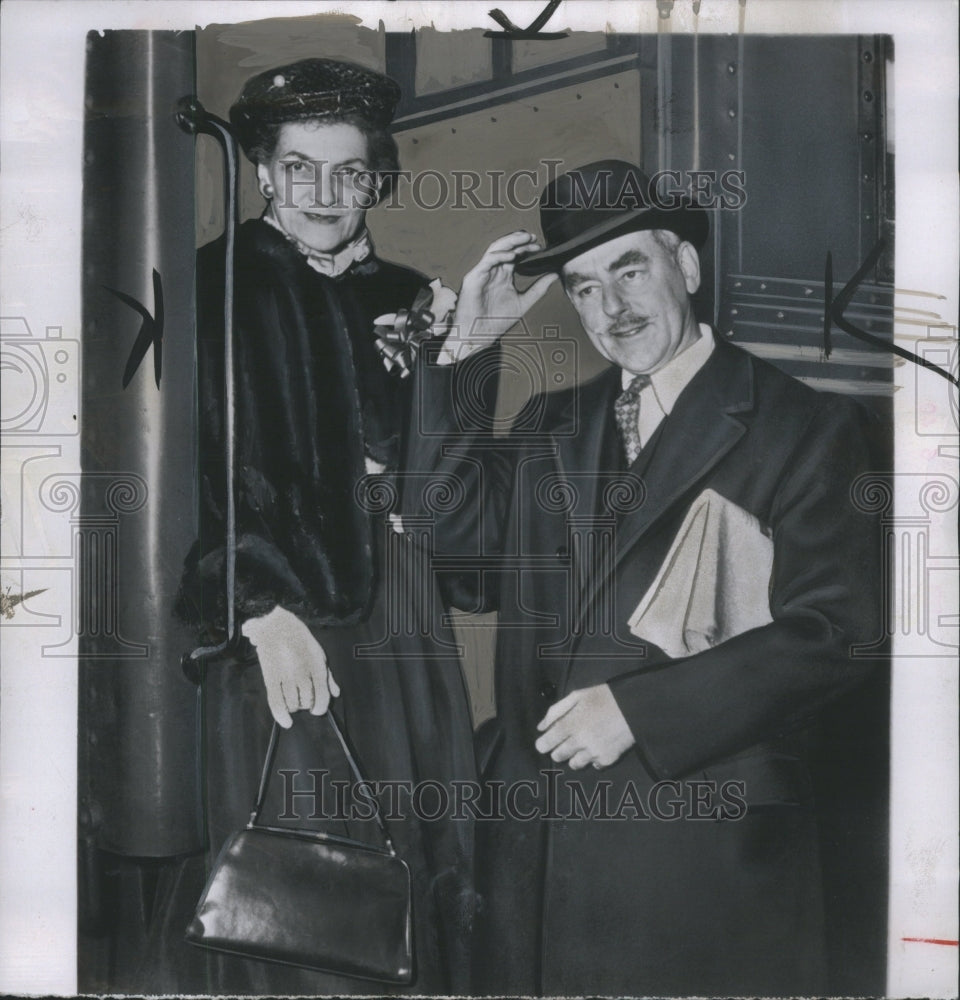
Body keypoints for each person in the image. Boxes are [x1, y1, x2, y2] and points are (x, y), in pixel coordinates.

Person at [405, 159, 884, 996]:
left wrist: (637, 710)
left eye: (630, 269)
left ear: (686, 266)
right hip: (539, 860)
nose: (612, 308)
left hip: (700, 857)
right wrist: (472, 352)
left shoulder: (805, 425)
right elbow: (458, 554)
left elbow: (837, 634)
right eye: (584, 288)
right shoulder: (552, 422)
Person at [166, 58, 477, 994]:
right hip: (284, 624)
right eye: (300, 168)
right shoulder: (210, 288)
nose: (326, 195)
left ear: (376, 176)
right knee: (299, 902)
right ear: (264, 171)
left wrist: (462, 357)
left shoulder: (416, 298)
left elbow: (440, 479)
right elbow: (191, 479)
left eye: (350, 172)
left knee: (420, 865)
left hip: (406, 624)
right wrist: (256, 607)